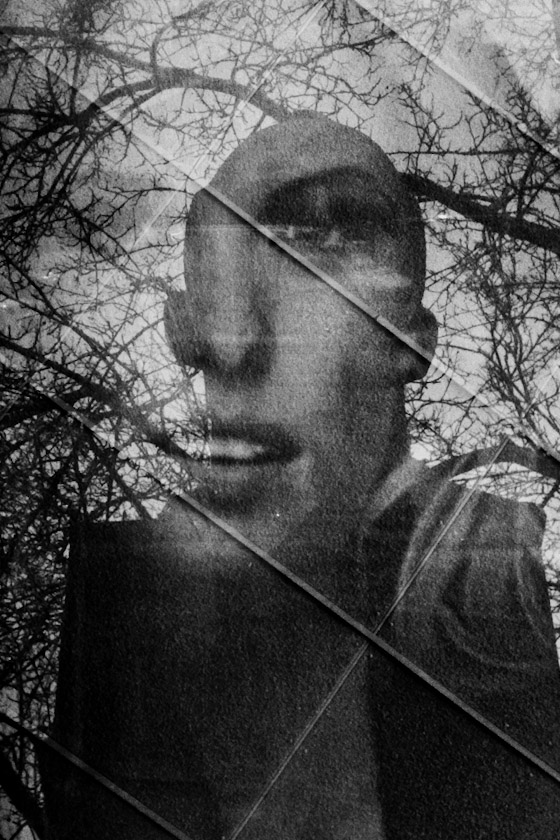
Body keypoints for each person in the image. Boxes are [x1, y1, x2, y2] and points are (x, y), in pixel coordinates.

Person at [45, 115, 560, 839]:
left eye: (323, 237)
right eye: (227, 263)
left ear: (412, 338)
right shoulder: (125, 617)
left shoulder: (494, 574)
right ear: (183, 327)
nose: (248, 331)